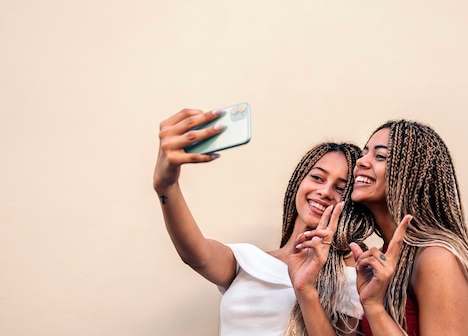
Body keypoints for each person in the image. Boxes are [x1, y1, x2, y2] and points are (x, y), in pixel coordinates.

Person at [153, 107, 373, 336]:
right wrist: (167, 187)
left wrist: (306, 289)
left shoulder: (348, 277)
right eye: (317, 177)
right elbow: (196, 254)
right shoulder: (248, 260)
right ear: (299, 182)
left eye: (340, 188)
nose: (325, 191)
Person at [349, 120, 468, 336]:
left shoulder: (437, 258)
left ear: (411, 173)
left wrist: (374, 307)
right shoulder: (381, 260)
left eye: (380, 156)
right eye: (364, 154)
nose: (361, 162)